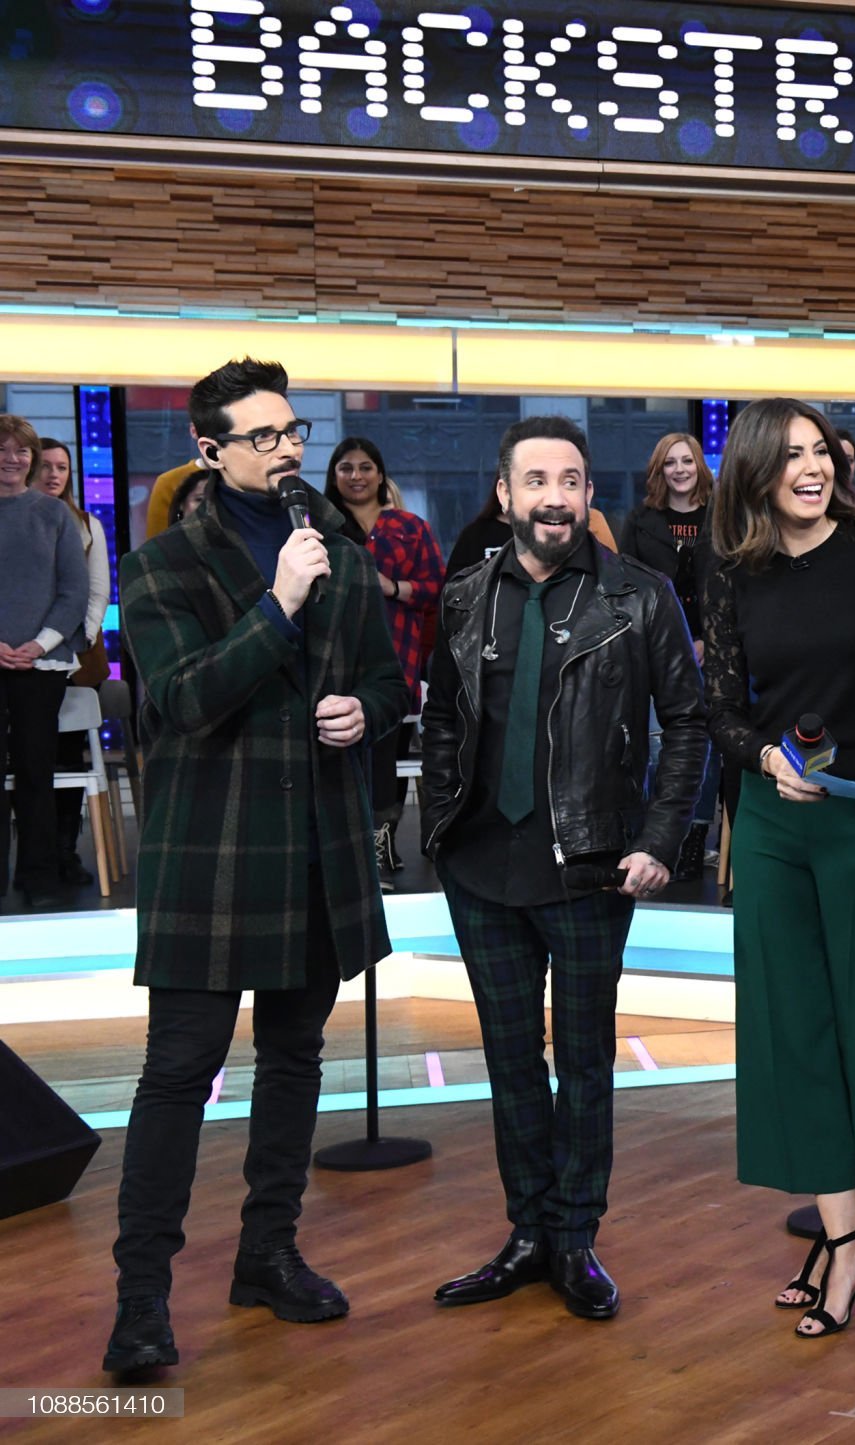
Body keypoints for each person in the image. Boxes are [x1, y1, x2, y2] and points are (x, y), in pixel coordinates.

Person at [102, 359, 407, 1374]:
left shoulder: (340, 554)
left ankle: (267, 1254)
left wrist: (366, 709)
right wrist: (276, 604)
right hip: (214, 852)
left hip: (318, 845)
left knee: (294, 1057)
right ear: (210, 450)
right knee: (178, 1071)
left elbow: (388, 679)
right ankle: (141, 1298)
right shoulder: (159, 568)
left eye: (292, 430)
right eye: (262, 435)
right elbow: (184, 699)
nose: (286, 449)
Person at [422, 416, 707, 1322]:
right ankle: (527, 1233)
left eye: (572, 480)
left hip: (591, 865)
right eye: (537, 480)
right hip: (480, 868)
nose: (556, 497)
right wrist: (439, 827)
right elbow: (441, 719)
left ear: (589, 493)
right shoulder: (464, 595)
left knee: (584, 1061)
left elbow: (689, 722)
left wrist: (659, 839)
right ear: (504, 494)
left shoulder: (640, 595)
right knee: (510, 1060)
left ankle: (575, 1236)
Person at [700, 398, 855, 1339]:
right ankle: (848, 1238)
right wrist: (767, 758)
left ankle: (852, 1234)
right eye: (789, 455)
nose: (810, 468)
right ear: (756, 473)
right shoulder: (731, 571)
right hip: (774, 819)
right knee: (790, 1027)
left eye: (819, 452)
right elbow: (721, 709)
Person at [324, 436, 444, 889]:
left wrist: (392, 587)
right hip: (332, 659)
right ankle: (341, 854)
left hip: (395, 657)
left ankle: (379, 846)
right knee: (334, 755)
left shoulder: (410, 527)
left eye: (365, 467)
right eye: (346, 468)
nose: (356, 476)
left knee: (382, 755)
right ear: (334, 476)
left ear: (380, 474)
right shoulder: (320, 525)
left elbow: (436, 588)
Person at [620, 432, 718, 879]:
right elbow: (627, 589)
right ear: (659, 471)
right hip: (654, 648)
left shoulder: (722, 518)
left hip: (712, 649)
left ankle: (694, 838)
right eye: (670, 463)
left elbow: (733, 584)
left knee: (705, 747)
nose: (680, 470)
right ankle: (657, 837)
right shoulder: (641, 520)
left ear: (699, 465)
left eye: (687, 461)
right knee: (657, 747)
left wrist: (708, 640)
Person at [0, 414, 87, 909]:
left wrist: (39, 644)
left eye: (21, 450)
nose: (11, 459)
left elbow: (74, 590)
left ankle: (40, 878)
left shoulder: (54, 515)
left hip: (43, 664)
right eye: (2, 449)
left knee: (36, 772)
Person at [31, 438, 110, 889]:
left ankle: (65, 850)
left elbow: (97, 590)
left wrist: (80, 638)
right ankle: (34, 855)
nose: (54, 475)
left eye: (62, 467)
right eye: (46, 466)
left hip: (78, 654)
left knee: (68, 752)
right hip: (20, 655)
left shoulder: (85, 524)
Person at [445, 474, 618, 579]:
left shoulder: (584, 524)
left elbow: (612, 577)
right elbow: (455, 594)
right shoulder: (476, 534)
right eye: (535, 482)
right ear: (504, 490)